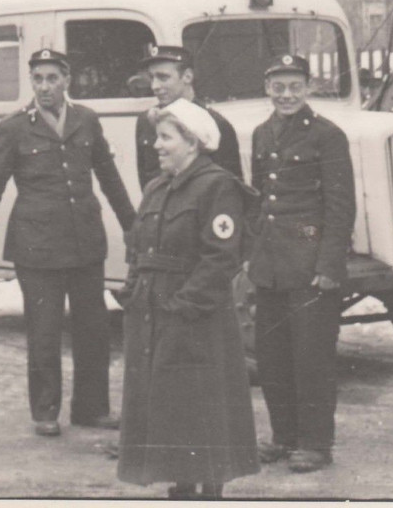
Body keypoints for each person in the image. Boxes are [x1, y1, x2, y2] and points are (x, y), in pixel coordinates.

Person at [0, 49, 136, 437]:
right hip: (37, 247)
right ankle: (45, 411)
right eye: (37, 79)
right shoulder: (14, 128)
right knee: (44, 330)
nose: (44, 87)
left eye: (52, 78)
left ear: (66, 80)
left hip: (84, 243)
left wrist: (133, 228)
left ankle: (92, 409)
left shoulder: (86, 121)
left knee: (93, 329)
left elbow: (109, 178)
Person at [117, 98, 259, 499]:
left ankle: (209, 492)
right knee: (169, 411)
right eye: (157, 137)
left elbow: (221, 258)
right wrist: (132, 290)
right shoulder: (156, 188)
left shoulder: (217, 186)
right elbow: (138, 247)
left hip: (197, 319)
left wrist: (183, 306)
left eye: (166, 137)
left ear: (193, 142)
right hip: (154, 315)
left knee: (200, 410)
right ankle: (181, 490)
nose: (156, 146)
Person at [248, 54, 355, 473]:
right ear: (267, 88)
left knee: (311, 358)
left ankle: (315, 444)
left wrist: (329, 267)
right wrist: (252, 255)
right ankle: (283, 437)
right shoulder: (261, 133)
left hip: (310, 265)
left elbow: (340, 206)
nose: (287, 95)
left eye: (295, 87)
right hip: (271, 264)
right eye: (279, 87)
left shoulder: (328, 136)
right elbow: (261, 200)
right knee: (273, 358)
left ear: (308, 88)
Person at [135, 45, 242, 189]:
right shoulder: (146, 121)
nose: (154, 86)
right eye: (152, 78)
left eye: (163, 77)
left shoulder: (215, 123)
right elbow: (145, 180)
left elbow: (229, 188)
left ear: (187, 76)